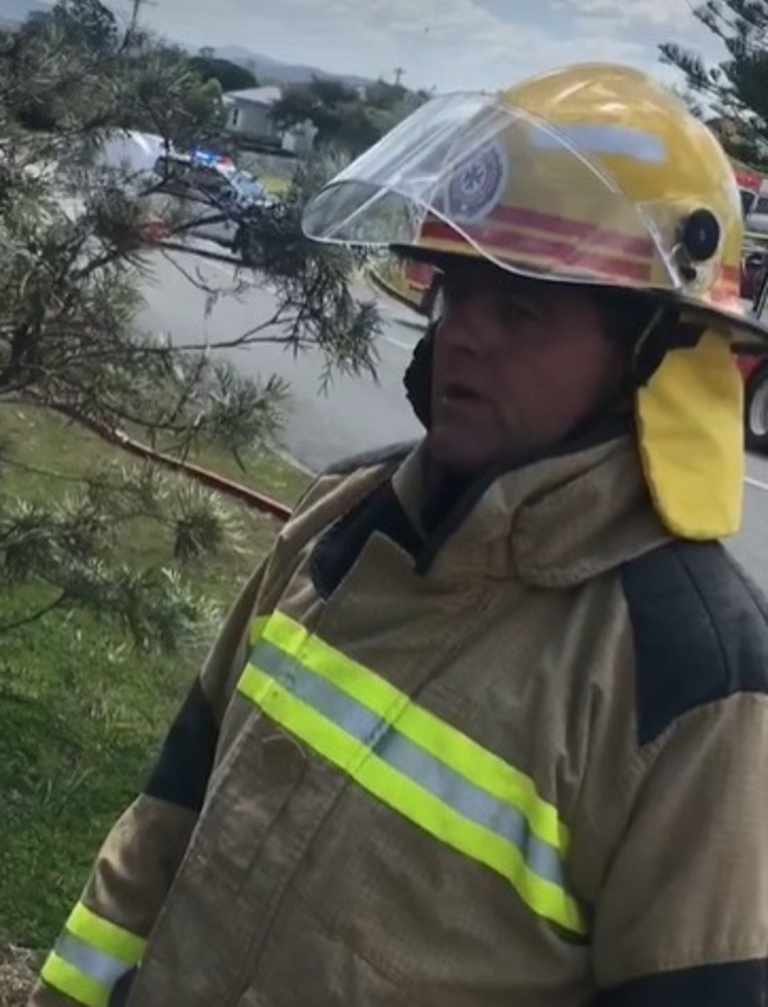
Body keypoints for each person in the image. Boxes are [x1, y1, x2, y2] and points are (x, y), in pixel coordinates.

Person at [30, 62, 768, 1007]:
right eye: (455, 290)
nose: (463, 334)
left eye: (521, 308)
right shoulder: (342, 519)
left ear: (649, 351)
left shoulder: (688, 671)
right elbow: (170, 814)